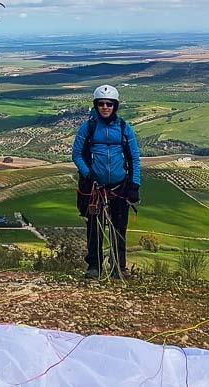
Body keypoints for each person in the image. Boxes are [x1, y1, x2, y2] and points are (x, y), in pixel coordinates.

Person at [72, 84, 141, 279]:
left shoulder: (124, 128)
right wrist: (89, 174)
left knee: (119, 229)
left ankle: (118, 268)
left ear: (115, 106)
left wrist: (135, 185)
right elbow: (77, 154)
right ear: (96, 105)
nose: (105, 107)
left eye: (109, 104)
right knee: (94, 228)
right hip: (95, 188)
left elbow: (134, 158)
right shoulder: (88, 127)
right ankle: (94, 267)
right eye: (101, 103)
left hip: (120, 187)